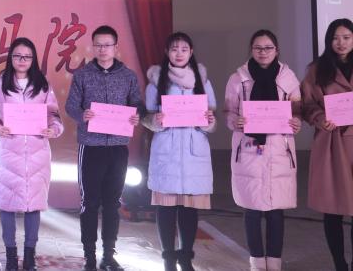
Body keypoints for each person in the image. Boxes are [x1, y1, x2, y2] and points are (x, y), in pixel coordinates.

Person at [65, 24, 142, 271]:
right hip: (91, 146)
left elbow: (137, 103)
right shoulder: (82, 75)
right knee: (89, 203)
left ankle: (109, 255)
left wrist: (137, 115)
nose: (102, 49)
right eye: (98, 44)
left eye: (107, 45)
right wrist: (82, 115)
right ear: (93, 46)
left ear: (115, 47)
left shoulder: (128, 76)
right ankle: (89, 255)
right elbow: (71, 106)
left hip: (118, 147)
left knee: (113, 202)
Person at [0, 37, 63, 271]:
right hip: (7, 155)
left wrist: (54, 129)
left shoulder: (43, 86)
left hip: (37, 155)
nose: (22, 60)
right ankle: (10, 256)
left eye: (27, 56)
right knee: (7, 205)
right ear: (11, 58)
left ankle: (29, 256)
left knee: (34, 206)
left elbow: (53, 115)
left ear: (33, 59)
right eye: (17, 56)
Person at [224, 29, 302, 271]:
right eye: (258, 48)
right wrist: (234, 121)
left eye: (268, 47)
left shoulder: (288, 78)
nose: (263, 52)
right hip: (249, 149)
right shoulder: (238, 79)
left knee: (276, 210)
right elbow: (229, 111)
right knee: (252, 209)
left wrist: (296, 122)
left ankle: (274, 262)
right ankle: (257, 261)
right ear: (251, 50)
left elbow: (297, 110)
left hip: (279, 149)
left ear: (277, 50)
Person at [142, 32, 217, 271]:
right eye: (174, 49)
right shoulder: (157, 80)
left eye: (184, 49)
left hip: (194, 150)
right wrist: (156, 120)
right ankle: (168, 258)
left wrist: (208, 121)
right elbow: (147, 117)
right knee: (165, 207)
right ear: (167, 52)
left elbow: (211, 116)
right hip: (168, 150)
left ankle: (186, 258)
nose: (179, 53)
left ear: (191, 52)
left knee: (189, 208)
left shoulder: (202, 80)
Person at [300, 18, 353, 271]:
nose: (341, 43)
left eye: (346, 37)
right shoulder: (317, 69)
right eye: (335, 38)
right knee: (333, 208)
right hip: (332, 145)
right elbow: (307, 104)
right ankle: (339, 264)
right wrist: (320, 118)